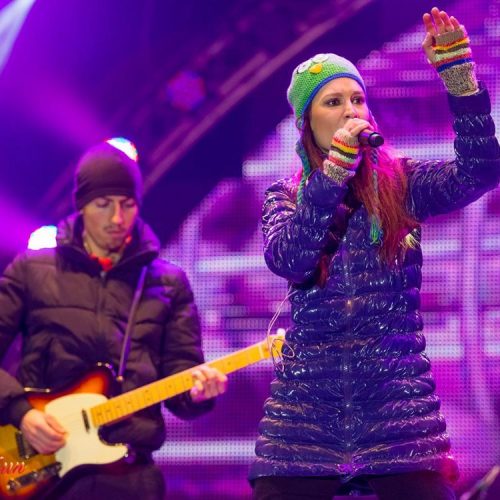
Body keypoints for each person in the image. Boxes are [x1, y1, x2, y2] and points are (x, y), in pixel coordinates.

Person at [250, 7, 500, 500]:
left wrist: (460, 80)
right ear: (306, 122)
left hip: (398, 417)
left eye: (358, 99)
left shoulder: (402, 183)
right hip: (305, 421)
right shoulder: (286, 195)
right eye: (334, 102)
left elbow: (481, 172)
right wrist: (332, 176)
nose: (352, 111)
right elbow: (290, 259)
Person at [0, 141, 228, 499]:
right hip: (44, 466)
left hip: (130, 472)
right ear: (81, 205)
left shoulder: (168, 282)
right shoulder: (32, 270)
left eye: (127, 204)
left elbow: (182, 375)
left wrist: (198, 393)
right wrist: (21, 412)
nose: (117, 218)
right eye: (103, 204)